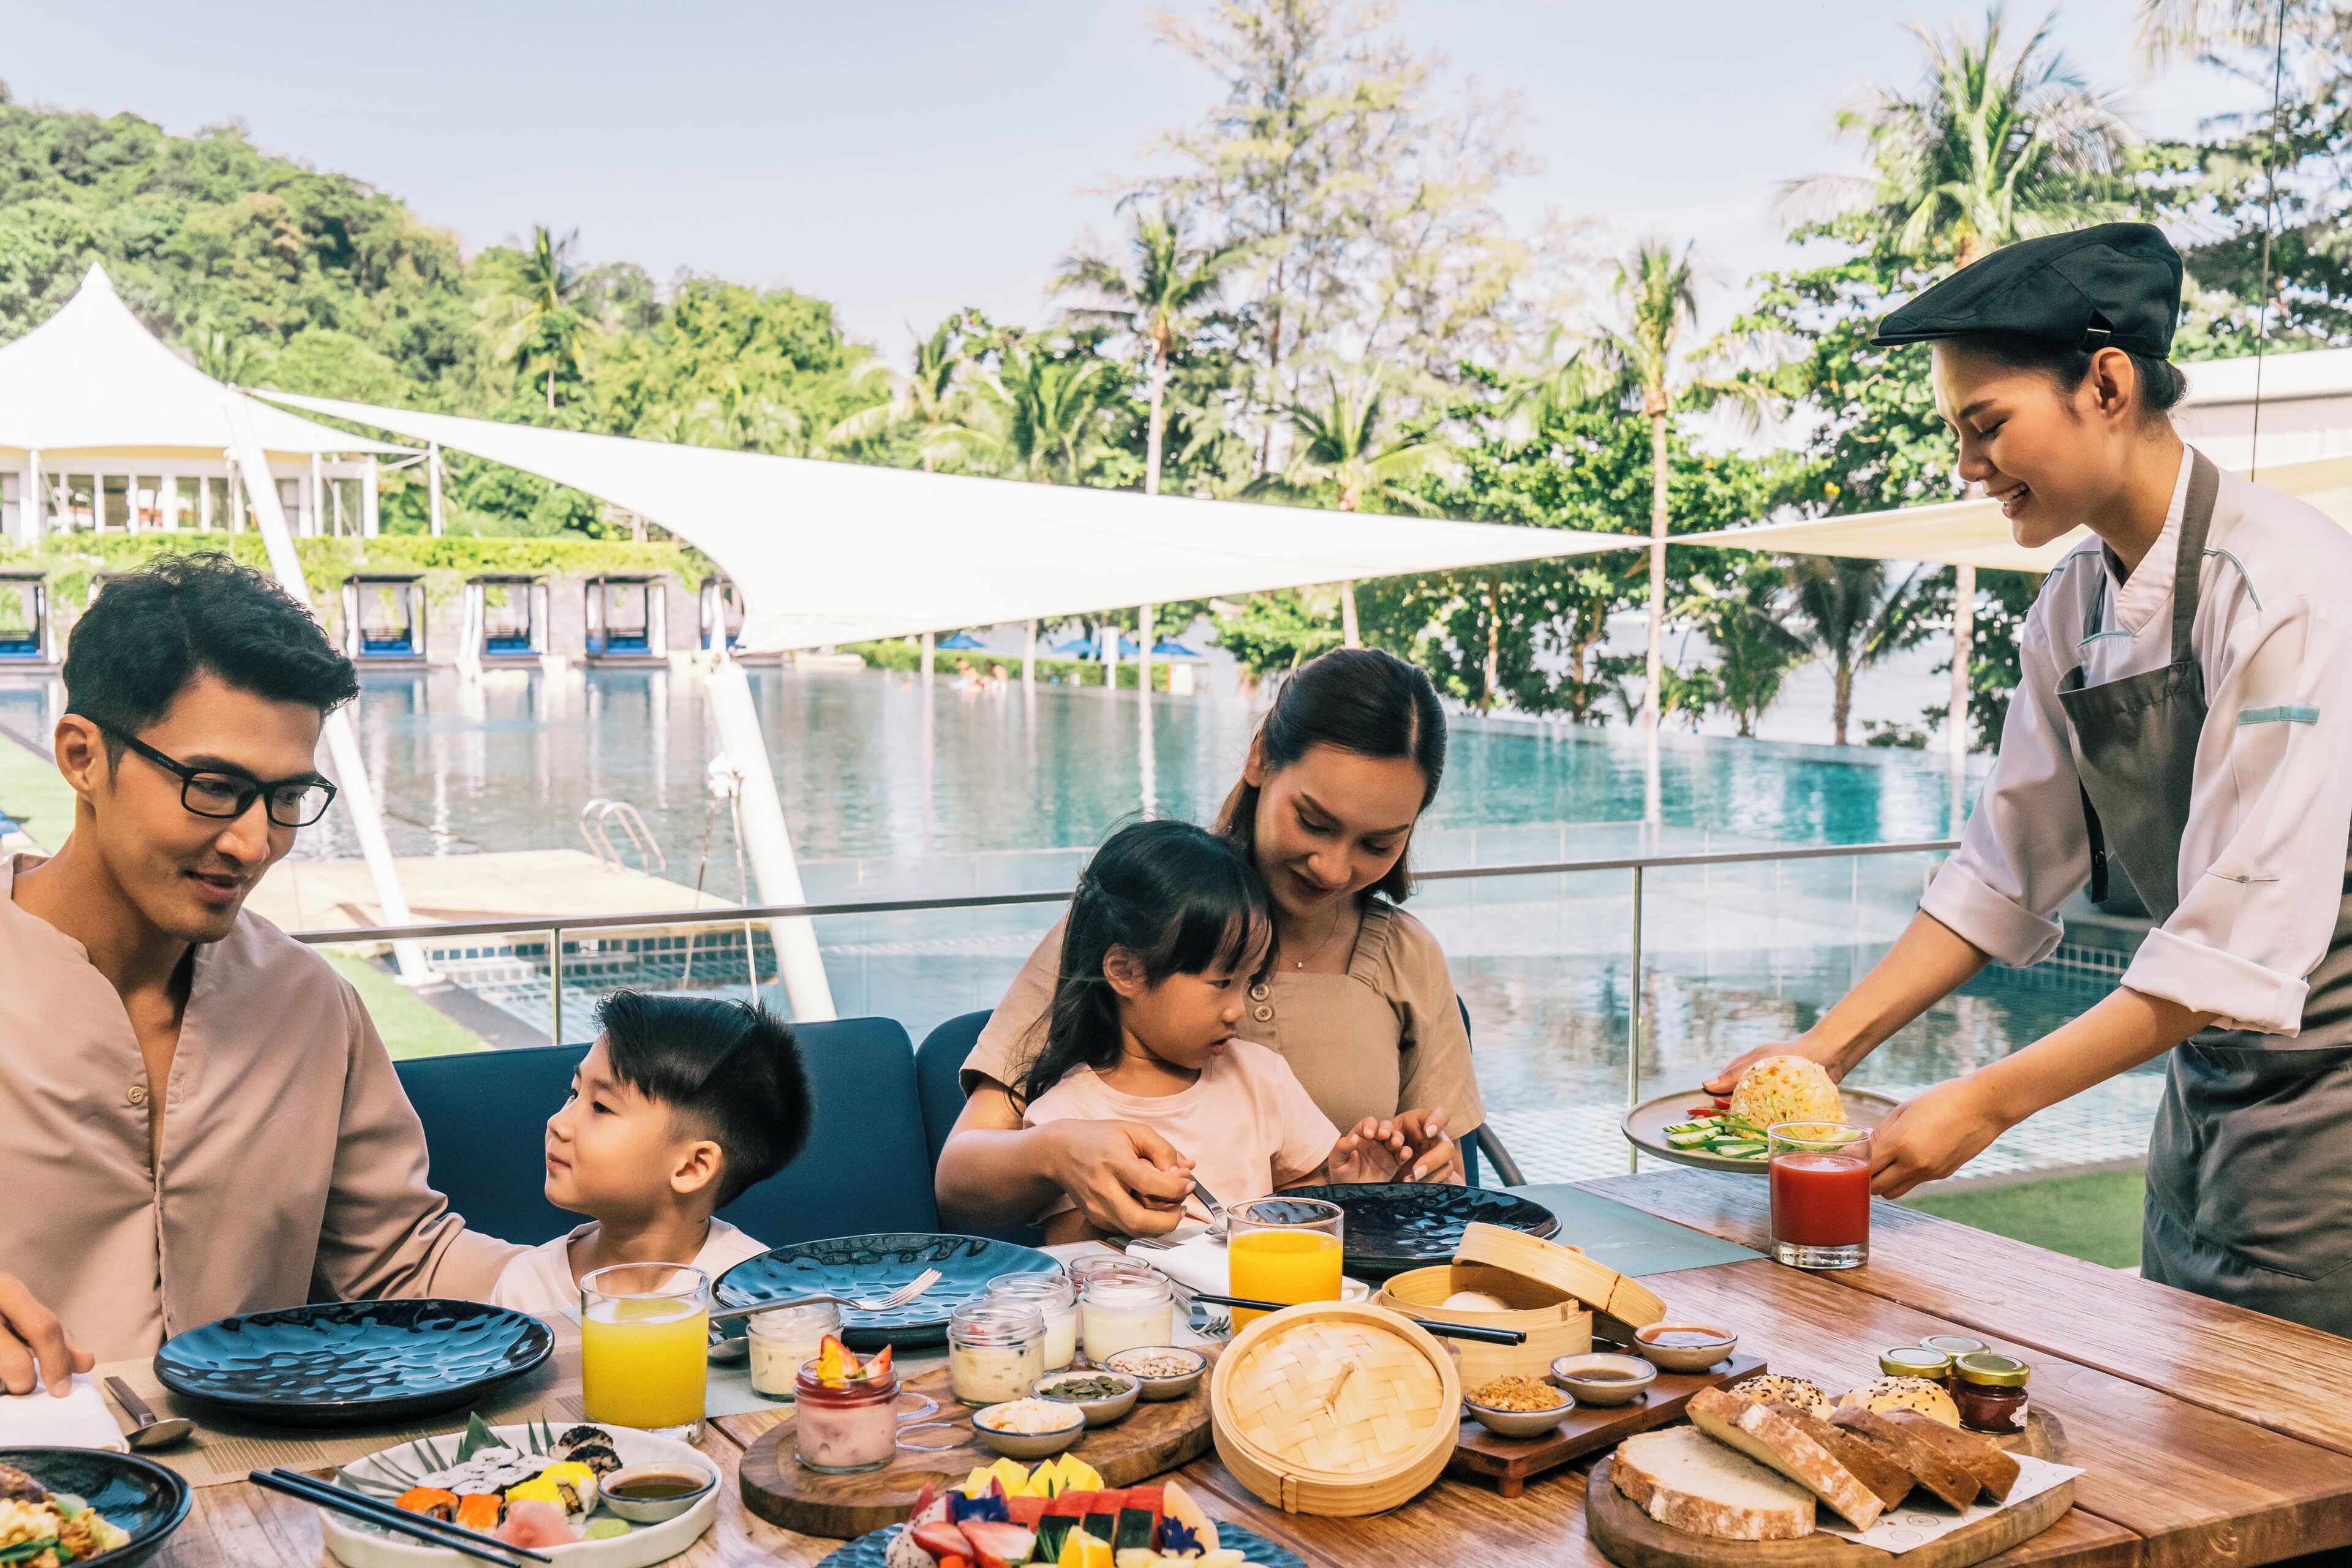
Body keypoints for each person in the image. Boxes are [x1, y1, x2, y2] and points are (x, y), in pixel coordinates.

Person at [1705, 224, 2352, 1333]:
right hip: (2200, 1111)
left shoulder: (2290, 582)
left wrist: (1987, 1102)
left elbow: (2231, 948)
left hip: (2331, 1130)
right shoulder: (2075, 604)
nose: (1969, 466)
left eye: (1987, 424)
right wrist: (1821, 1054)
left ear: (2105, 383)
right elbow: (2001, 873)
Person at [0, 554, 522, 1392]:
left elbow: (396, 1266)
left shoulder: (311, 1006)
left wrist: (613, 1272)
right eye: (215, 787)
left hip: (267, 1503)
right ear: (81, 756)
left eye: (286, 798)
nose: (255, 843)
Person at [937, 647, 1479, 1238]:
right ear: (1261, 756)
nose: (1332, 868)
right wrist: (1053, 1151)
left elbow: (1448, 1193)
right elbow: (958, 1184)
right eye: (1315, 823)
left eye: (1378, 846)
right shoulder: (1132, 924)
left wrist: (1425, 1181)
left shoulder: (1407, 957)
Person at [1014, 819, 1442, 1243]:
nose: (1238, 1009)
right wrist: (1124, 1217)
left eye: (1249, 981)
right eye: (1221, 983)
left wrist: (1344, 1185)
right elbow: (1067, 1253)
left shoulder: (1260, 1077)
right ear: (1126, 971)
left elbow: (1295, 1200)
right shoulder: (1067, 1117)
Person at [491, 990, 810, 1316]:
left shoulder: (762, 1297)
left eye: (601, 1107)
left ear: (692, 1167)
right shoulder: (525, 1288)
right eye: (574, 1093)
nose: (557, 1122)